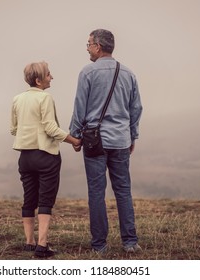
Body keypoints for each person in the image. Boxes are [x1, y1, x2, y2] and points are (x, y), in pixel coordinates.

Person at [69, 29, 143, 253]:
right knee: (123, 191)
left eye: (89, 44)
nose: (87, 47)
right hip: (121, 139)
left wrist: (75, 135)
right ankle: (130, 242)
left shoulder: (88, 72)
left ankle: (100, 245)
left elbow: (80, 107)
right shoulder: (128, 73)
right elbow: (136, 108)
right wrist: (132, 135)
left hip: (95, 141)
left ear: (98, 46)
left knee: (96, 192)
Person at [10, 61, 81, 258]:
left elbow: (13, 129)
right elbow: (50, 128)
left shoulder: (17, 99)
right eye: (49, 75)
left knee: (29, 199)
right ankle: (42, 245)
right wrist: (74, 140)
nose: (52, 77)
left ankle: (29, 242)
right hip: (46, 156)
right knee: (45, 201)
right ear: (38, 80)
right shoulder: (45, 98)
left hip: (25, 157)